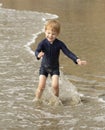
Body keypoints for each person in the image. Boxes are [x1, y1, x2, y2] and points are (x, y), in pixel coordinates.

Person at [34, 19, 86, 103]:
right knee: (41, 86)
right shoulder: (42, 43)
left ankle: (56, 100)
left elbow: (68, 52)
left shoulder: (59, 44)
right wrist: (38, 55)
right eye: (48, 33)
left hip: (54, 68)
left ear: (57, 34)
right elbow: (36, 51)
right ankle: (36, 100)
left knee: (55, 86)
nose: (50, 36)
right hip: (44, 68)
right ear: (45, 32)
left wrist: (77, 59)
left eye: (53, 34)